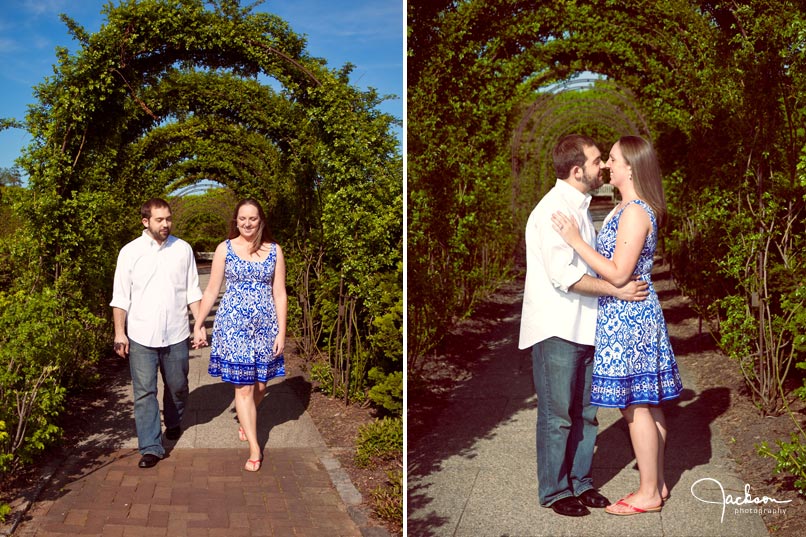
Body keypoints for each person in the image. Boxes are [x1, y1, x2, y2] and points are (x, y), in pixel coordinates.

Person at [551, 135, 683, 516]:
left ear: (631, 167)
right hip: (628, 314)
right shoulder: (626, 207)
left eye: (612, 159)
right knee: (647, 404)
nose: (607, 165)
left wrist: (575, 240)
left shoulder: (635, 211)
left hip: (629, 317)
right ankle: (656, 484)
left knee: (635, 405)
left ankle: (647, 494)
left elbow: (620, 273)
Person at [519, 134, 650, 517]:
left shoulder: (580, 207)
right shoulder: (553, 211)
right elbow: (565, 276)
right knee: (557, 415)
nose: (604, 167)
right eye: (597, 161)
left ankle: (581, 482)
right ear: (577, 171)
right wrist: (616, 288)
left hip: (586, 326)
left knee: (587, 412)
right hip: (557, 328)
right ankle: (556, 491)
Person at [193, 198, 287, 472]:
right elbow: (211, 290)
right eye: (242, 218)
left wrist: (282, 330)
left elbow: (280, 293)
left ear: (261, 221)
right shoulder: (225, 248)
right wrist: (199, 323)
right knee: (244, 387)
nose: (247, 223)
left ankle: (246, 419)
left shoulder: (274, 250)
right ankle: (255, 448)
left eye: (253, 219)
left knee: (260, 386)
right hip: (233, 326)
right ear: (236, 220)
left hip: (265, 327)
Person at [111, 198, 204, 469]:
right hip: (141, 334)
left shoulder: (183, 249)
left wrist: (199, 326)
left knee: (178, 386)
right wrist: (120, 332)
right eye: (160, 220)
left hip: (176, 333)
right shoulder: (129, 252)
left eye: (168, 219)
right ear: (145, 221)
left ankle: (174, 420)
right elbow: (120, 297)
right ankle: (151, 446)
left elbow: (192, 291)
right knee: (144, 392)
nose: (166, 224)